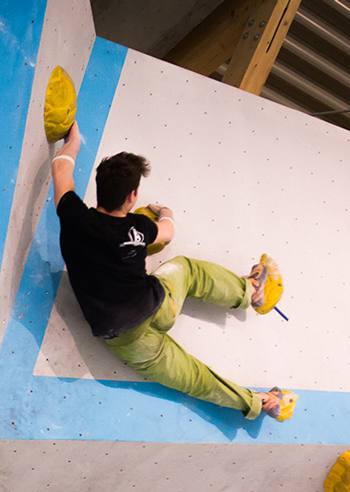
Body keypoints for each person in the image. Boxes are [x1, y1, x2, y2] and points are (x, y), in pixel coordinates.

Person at [50, 123, 295, 421]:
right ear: (132, 196)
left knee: (194, 378)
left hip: (126, 339)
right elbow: (168, 231)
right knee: (188, 270)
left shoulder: (73, 216)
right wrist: (165, 212)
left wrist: (72, 141)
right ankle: (252, 291)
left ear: (100, 187)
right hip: (159, 303)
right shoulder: (138, 228)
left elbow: (60, 170)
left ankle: (262, 402)